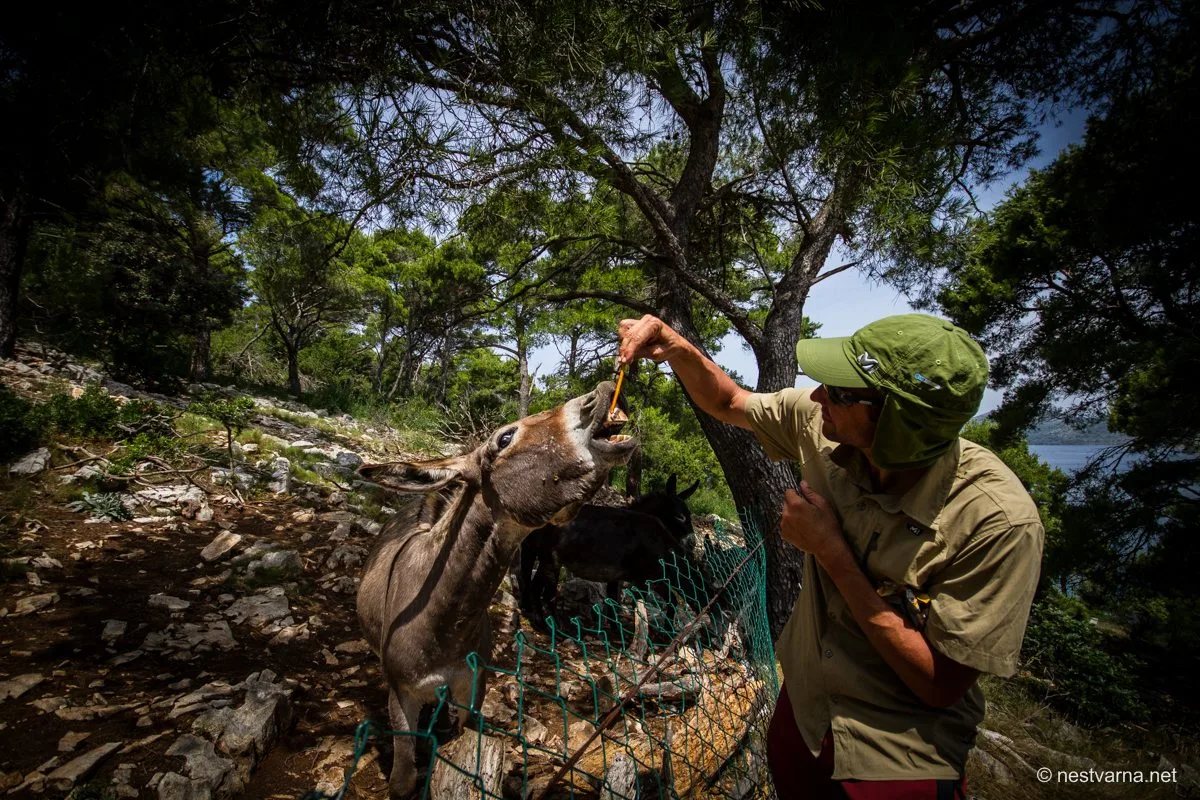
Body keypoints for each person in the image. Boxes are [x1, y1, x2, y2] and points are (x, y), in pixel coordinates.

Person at [617, 313, 1044, 800]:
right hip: (803, 714)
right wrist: (675, 346)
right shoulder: (825, 424)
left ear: (897, 427)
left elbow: (939, 685)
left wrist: (831, 552)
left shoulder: (996, 523)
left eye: (840, 392)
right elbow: (729, 401)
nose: (818, 397)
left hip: (897, 758)